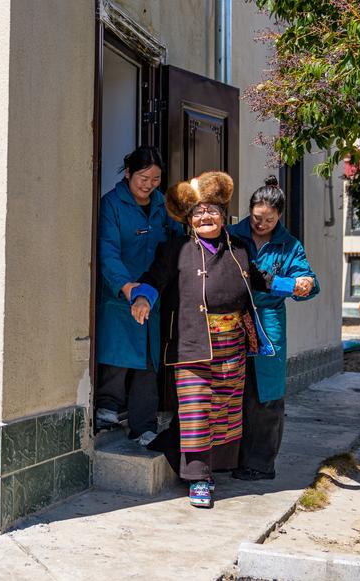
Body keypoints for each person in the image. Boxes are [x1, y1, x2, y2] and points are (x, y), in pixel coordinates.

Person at [130, 172, 282, 508]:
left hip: (233, 344)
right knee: (197, 410)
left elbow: (261, 281)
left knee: (224, 411)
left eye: (211, 210)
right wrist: (142, 298)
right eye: (198, 213)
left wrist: (295, 285)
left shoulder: (239, 248)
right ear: (189, 220)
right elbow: (154, 278)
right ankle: (198, 478)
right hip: (192, 344)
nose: (205, 217)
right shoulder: (176, 250)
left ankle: (208, 463)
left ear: (223, 214)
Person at [227, 176, 319, 481]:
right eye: (257, 217)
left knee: (265, 393)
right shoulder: (232, 235)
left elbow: (307, 280)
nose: (261, 224)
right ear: (249, 210)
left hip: (268, 322)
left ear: (279, 215)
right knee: (231, 389)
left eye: (269, 219)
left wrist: (303, 284)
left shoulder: (289, 244)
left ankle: (260, 464)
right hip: (233, 319)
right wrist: (285, 284)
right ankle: (226, 458)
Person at [95, 146, 183, 444]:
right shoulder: (111, 204)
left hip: (152, 294)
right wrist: (126, 286)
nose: (149, 185)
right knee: (117, 353)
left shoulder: (163, 206)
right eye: (143, 178)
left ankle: (144, 424)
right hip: (120, 294)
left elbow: (177, 242)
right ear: (129, 173)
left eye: (155, 179)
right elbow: (107, 250)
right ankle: (107, 409)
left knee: (148, 360)